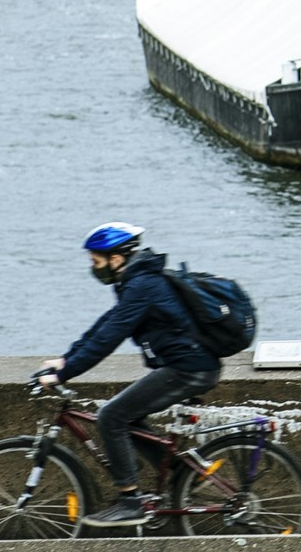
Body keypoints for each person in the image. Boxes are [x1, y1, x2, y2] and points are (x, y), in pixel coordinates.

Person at [35, 224, 220, 528]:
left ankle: (130, 502)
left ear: (117, 258)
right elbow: (104, 325)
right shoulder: (136, 281)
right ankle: (182, 470)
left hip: (188, 368)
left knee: (111, 416)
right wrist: (65, 360)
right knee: (129, 418)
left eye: (96, 262)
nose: (94, 269)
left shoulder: (142, 286)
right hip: (188, 364)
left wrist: (65, 374)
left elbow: (109, 337)